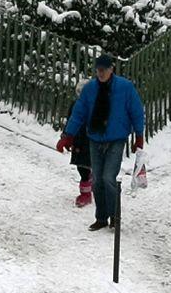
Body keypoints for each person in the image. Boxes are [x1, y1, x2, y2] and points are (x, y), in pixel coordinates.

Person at [63, 59, 148, 231]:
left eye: (103, 70)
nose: (100, 73)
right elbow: (78, 113)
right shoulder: (90, 89)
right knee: (97, 182)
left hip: (116, 139)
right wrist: (68, 135)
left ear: (111, 69)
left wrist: (139, 135)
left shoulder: (125, 88)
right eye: (98, 70)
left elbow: (136, 111)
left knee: (108, 178)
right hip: (95, 138)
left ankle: (115, 217)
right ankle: (101, 217)